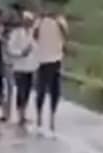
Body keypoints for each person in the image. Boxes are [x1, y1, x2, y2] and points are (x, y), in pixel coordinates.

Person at [31, 0, 66, 129]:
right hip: (43, 60)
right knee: (41, 90)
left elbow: (65, 34)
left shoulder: (59, 20)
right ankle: (39, 115)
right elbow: (34, 35)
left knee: (55, 90)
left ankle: (52, 116)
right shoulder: (39, 22)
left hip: (56, 59)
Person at [5, 5, 33, 129]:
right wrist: (21, 53)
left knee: (27, 91)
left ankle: (24, 113)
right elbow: (10, 49)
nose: (28, 23)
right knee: (21, 91)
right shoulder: (16, 33)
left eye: (29, 21)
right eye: (26, 21)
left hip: (30, 67)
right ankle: (20, 114)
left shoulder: (33, 34)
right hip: (19, 67)